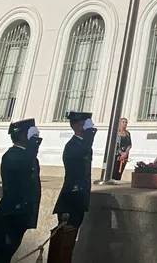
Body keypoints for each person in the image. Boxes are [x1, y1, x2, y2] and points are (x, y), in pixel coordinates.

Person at [0, 119, 42, 263]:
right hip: (10, 216)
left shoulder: (28, 157)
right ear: (23, 135)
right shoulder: (12, 155)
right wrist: (34, 143)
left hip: (20, 216)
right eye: (30, 133)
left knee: (5, 255)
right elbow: (24, 165)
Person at [50, 111, 96, 262]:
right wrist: (89, 132)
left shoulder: (82, 145)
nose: (91, 127)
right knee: (64, 241)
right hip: (71, 200)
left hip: (78, 198)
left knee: (69, 242)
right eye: (87, 124)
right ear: (79, 125)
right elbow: (83, 150)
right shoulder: (73, 146)